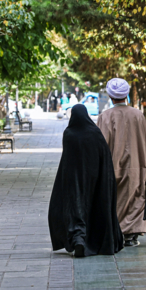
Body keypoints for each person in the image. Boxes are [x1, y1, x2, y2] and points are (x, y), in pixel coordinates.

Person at [48, 104, 124, 257]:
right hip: (94, 178)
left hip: (73, 178)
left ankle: (78, 239)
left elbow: (67, 158)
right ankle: (93, 241)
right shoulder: (95, 133)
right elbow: (105, 155)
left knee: (75, 208)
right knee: (94, 206)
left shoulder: (69, 133)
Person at [97, 78, 146, 247]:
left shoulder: (105, 116)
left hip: (112, 166)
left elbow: (100, 144)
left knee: (114, 199)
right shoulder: (138, 115)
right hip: (136, 165)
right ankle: (131, 236)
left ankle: (115, 232)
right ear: (126, 94)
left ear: (110, 95)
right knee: (135, 199)